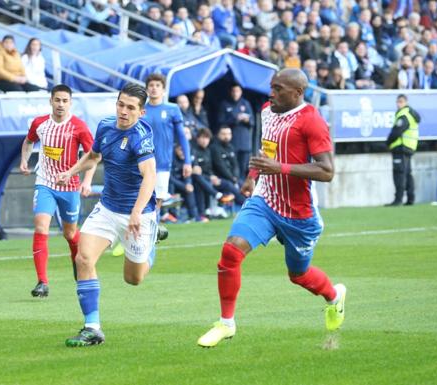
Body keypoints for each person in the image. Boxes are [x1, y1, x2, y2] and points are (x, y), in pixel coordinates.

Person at [197, 68, 346, 348]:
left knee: (298, 274)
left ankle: (335, 297)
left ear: (298, 93)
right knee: (231, 250)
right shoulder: (267, 110)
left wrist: (281, 168)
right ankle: (226, 323)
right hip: (265, 201)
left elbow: (327, 171)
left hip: (299, 215)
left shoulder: (312, 121)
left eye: (278, 89)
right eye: (272, 87)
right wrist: (253, 177)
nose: (271, 93)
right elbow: (269, 150)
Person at [57, 83, 157, 347]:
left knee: (133, 279)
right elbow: (93, 156)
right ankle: (92, 328)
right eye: (120, 104)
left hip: (138, 214)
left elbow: (150, 176)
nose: (123, 111)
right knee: (83, 257)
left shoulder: (141, 138)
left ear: (142, 112)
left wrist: (136, 213)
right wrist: (71, 172)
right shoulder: (105, 126)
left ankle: (152, 243)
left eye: (131, 107)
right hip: (108, 208)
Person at [20, 84, 95, 298]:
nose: (61, 104)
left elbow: (92, 157)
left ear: (70, 103)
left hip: (69, 187)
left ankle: (78, 265)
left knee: (70, 234)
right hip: (45, 183)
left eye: (65, 101)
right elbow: (28, 141)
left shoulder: (79, 127)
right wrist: (24, 160)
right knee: (41, 226)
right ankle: (42, 282)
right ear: (50, 101)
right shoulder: (40, 123)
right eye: (57, 100)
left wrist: (86, 181)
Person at [143, 73, 192, 238]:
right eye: (151, 85)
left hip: (162, 163)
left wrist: (187, 161)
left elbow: (182, 137)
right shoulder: (141, 110)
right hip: (141, 163)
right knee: (139, 199)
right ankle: (140, 232)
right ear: (147, 89)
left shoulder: (172, 109)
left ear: (163, 90)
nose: (154, 88)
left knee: (156, 201)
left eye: (158, 85)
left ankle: (151, 234)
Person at [385, 94, 420, 206]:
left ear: (406, 102)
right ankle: (410, 199)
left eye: (400, 102)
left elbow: (396, 132)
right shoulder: (410, 114)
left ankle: (398, 199)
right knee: (407, 173)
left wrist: (388, 142)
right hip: (409, 147)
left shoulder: (404, 115)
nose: (398, 104)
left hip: (401, 147)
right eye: (397, 102)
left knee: (399, 174)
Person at [217, 84, 255, 179]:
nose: (235, 93)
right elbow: (220, 122)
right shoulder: (225, 104)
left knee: (243, 168)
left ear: (241, 92)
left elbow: (253, 122)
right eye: (233, 91)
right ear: (230, 92)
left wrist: (247, 120)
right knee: (232, 167)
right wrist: (235, 119)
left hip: (245, 143)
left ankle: (241, 188)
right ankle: (233, 187)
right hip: (231, 143)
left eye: (237, 91)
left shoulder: (246, 103)